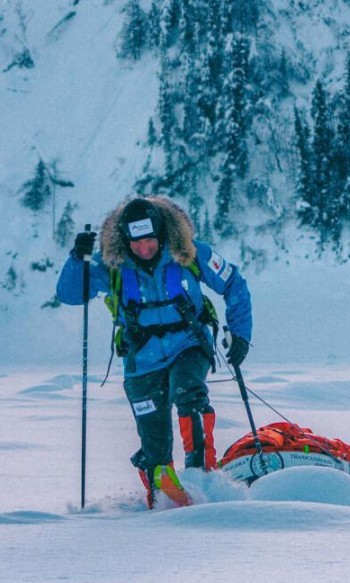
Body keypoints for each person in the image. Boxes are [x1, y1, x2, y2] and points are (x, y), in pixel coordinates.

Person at [57, 195, 252, 508]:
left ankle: (201, 473)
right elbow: (69, 294)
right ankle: (161, 492)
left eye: (149, 241)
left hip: (188, 344)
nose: (144, 249)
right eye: (136, 243)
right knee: (154, 437)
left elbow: (234, 284)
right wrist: (75, 260)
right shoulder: (111, 264)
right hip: (140, 359)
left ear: (161, 235)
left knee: (189, 393)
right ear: (125, 239)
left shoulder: (190, 253)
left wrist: (240, 333)